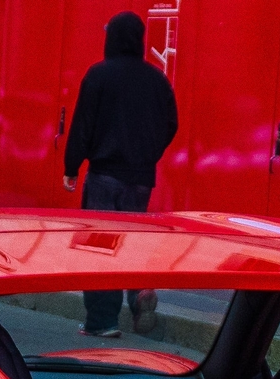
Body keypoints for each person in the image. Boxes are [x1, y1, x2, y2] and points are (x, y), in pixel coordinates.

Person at [61, 11, 176, 337]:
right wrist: (148, 153)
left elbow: (83, 126)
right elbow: (171, 123)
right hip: (140, 180)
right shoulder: (157, 80)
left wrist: (71, 167)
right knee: (131, 242)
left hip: (105, 177)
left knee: (100, 248)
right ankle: (139, 292)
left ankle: (102, 321)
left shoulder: (98, 76)